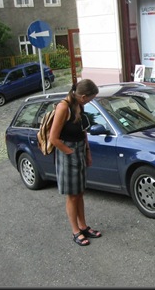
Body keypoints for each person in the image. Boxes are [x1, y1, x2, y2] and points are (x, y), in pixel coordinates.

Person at [49, 79, 101, 246]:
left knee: (80, 192)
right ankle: (75, 231)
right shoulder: (63, 107)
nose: (91, 101)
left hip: (79, 150)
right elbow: (54, 138)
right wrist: (70, 153)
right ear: (83, 96)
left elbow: (82, 132)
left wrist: (87, 152)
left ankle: (83, 226)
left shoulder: (80, 105)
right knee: (72, 196)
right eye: (91, 98)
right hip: (67, 153)